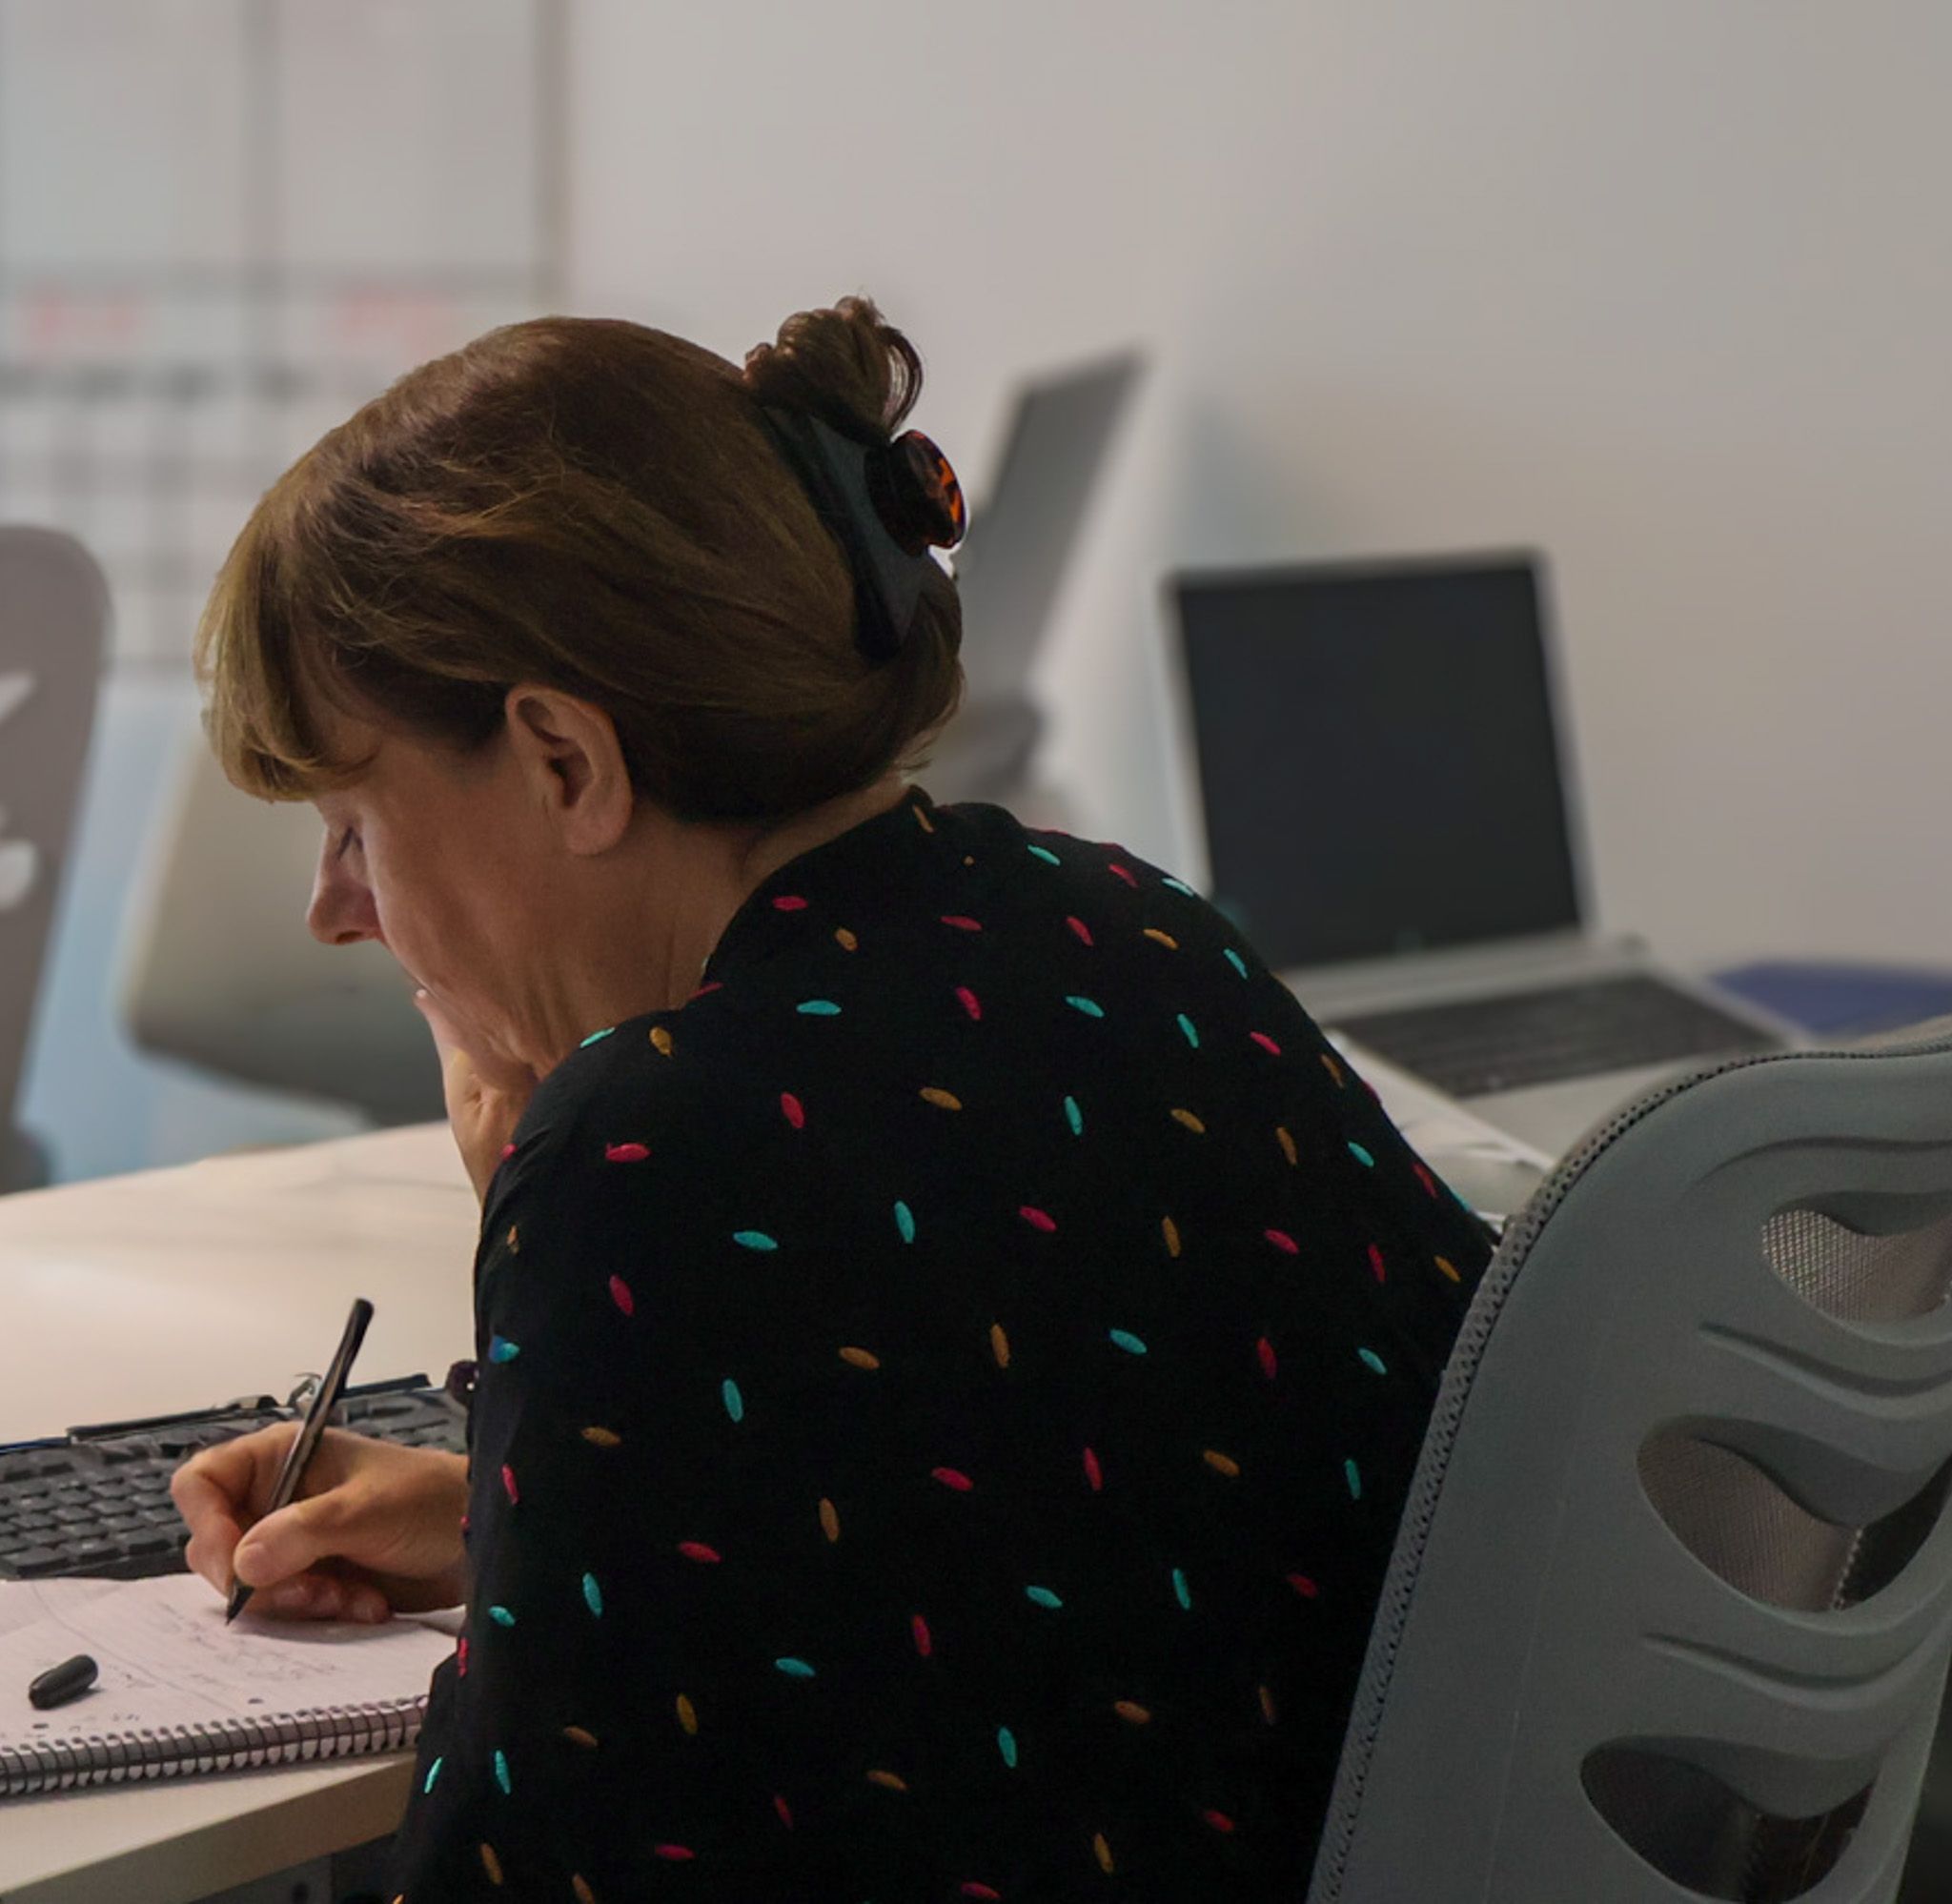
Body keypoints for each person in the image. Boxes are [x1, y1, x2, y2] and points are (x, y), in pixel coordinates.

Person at [172, 297, 1494, 1901]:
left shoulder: (650, 1147)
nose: (334, 908)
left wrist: (539, 1208)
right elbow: (1065, 1497)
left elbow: (506, 1869)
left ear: (565, 764)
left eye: (354, 824)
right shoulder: (1131, 931)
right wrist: (508, 1522)